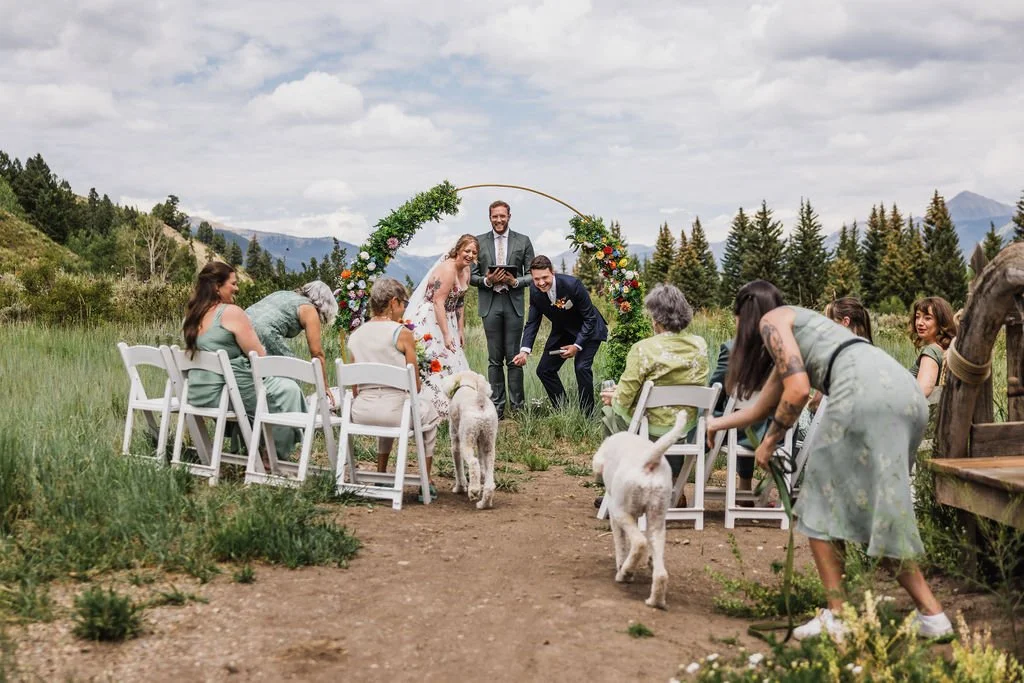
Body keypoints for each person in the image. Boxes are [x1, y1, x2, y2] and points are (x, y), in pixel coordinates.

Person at [706, 280, 953, 641]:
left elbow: (798, 390)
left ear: (746, 312)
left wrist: (769, 442)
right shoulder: (803, 326)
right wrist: (718, 423)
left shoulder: (772, 321)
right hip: (904, 397)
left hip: (862, 396)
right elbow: (765, 404)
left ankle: (838, 616)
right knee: (879, 509)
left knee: (817, 501)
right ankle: (933, 616)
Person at [182, 262, 304, 459]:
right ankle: (272, 455)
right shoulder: (231, 312)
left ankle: (250, 448)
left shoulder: (192, 315)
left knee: (265, 388)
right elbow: (259, 357)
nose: (237, 288)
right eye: (233, 283)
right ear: (216, 286)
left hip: (199, 391)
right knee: (289, 390)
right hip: (226, 392)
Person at [349, 278, 443, 501]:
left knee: (391, 409)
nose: (403, 308)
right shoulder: (401, 333)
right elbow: (415, 385)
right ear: (393, 302)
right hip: (394, 413)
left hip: (360, 412)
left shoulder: (356, 335)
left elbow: (354, 388)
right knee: (431, 416)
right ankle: (425, 481)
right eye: (403, 303)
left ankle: (381, 474)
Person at [599, 284, 709, 438]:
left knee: (609, 412)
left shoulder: (642, 349)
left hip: (650, 428)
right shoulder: (700, 345)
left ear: (656, 319)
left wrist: (614, 397)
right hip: (685, 426)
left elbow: (623, 400)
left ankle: (621, 461)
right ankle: (673, 462)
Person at [512, 255, 608, 416]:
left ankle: (587, 415)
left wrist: (577, 346)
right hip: (563, 331)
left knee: (581, 367)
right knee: (544, 370)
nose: (541, 283)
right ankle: (564, 409)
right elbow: (532, 323)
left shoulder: (572, 285)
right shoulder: (534, 291)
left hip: (589, 330)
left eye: (545, 277)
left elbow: (590, 318)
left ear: (552, 272)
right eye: (537, 279)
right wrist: (524, 351)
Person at [470, 201, 536, 419]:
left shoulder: (523, 241)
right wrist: (487, 281)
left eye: (502, 216)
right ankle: (497, 407)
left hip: (513, 303)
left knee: (514, 358)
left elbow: (533, 275)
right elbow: (471, 275)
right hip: (490, 303)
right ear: (489, 217)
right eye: (494, 216)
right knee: (494, 359)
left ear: (509, 216)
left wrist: (515, 281)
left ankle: (518, 408)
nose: (498, 220)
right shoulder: (479, 242)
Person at [404, 234, 477, 419]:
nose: (470, 255)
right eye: (467, 250)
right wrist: (446, 335)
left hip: (449, 317)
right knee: (435, 358)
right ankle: (431, 409)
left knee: (453, 359)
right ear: (458, 249)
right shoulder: (448, 269)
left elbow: (460, 302)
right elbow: (438, 302)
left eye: (474, 252)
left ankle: (454, 406)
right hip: (431, 318)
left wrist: (460, 330)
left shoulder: (467, 271)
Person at [245, 281, 339, 405]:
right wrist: (324, 386)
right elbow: (317, 353)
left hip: (243, 324)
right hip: (265, 334)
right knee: (293, 372)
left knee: (255, 373)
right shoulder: (309, 310)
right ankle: (289, 412)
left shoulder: (284, 294)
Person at [909, 296, 956, 402]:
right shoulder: (945, 349)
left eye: (927, 318)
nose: (919, 323)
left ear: (940, 322)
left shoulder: (931, 351)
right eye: (917, 317)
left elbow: (922, 391)